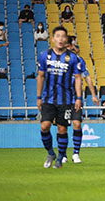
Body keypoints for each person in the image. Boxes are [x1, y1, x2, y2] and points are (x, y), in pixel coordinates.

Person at [36, 26, 83, 169]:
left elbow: (78, 78)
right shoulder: (45, 55)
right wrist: (38, 97)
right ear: (53, 39)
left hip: (66, 100)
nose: (60, 39)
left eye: (63, 36)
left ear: (66, 39)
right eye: (58, 36)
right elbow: (41, 76)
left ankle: (60, 158)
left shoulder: (72, 58)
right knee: (45, 126)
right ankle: (51, 153)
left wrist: (79, 98)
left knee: (62, 129)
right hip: (48, 99)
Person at [65, 44, 99, 164]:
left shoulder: (80, 61)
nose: (72, 48)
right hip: (62, 99)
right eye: (69, 46)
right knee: (62, 127)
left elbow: (87, 78)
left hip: (76, 99)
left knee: (77, 123)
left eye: (74, 46)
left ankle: (76, 153)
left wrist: (93, 95)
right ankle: (63, 154)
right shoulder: (58, 60)